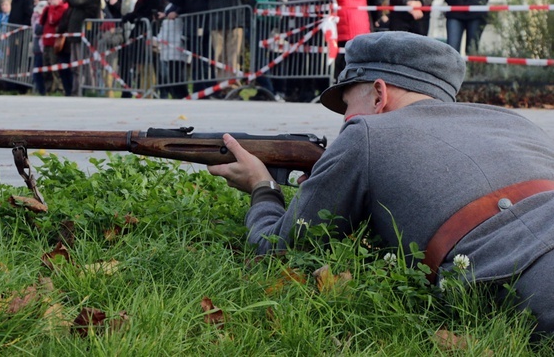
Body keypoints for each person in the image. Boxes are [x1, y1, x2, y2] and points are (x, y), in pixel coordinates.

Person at [207, 31, 554, 334]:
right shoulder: (512, 121)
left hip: (530, 272)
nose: (345, 119)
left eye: (347, 104)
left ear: (378, 94)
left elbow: (281, 249)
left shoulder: (367, 132)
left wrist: (261, 187)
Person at [240, 0, 283, 101]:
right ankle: (261, 89)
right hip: (252, 17)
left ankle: (268, 88)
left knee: (260, 54)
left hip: (265, 18)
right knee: (255, 55)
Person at [61, 0, 106, 96]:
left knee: (83, 64)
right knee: (76, 65)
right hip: (77, 33)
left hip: (86, 33)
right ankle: (77, 90)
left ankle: (88, 90)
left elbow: (78, 1)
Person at [121, 0, 164, 94]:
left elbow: (149, 13)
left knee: (147, 63)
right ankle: (142, 89)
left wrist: (139, 17)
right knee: (139, 64)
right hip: (139, 32)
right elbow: (137, 12)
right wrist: (129, 17)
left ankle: (148, 90)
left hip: (147, 33)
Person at [40, 0, 68, 94]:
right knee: (46, 67)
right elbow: (42, 21)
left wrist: (51, 9)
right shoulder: (49, 9)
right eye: (48, 0)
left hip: (55, 43)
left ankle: (59, 88)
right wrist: (46, 10)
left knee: (54, 66)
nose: (50, 2)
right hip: (47, 41)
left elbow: (53, 20)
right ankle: (49, 89)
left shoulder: (61, 8)